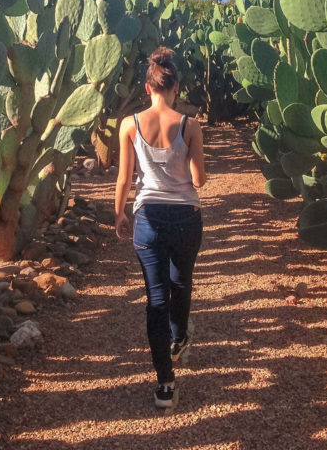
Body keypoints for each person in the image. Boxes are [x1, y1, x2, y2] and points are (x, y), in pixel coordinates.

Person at [114, 46, 207, 409]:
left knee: (155, 299)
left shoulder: (129, 125)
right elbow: (199, 181)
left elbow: (124, 178)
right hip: (185, 217)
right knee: (181, 282)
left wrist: (119, 214)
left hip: (148, 220)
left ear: (148, 87)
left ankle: (165, 384)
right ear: (176, 88)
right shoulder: (191, 125)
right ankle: (179, 338)